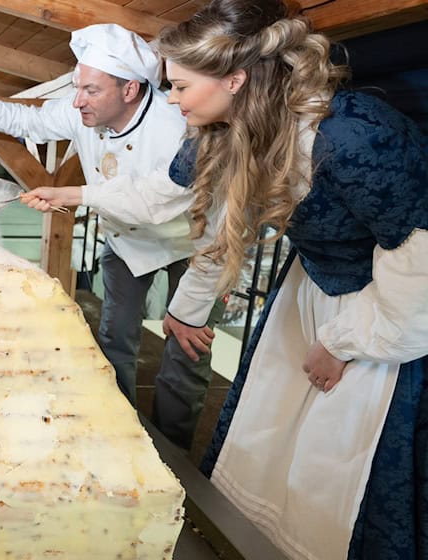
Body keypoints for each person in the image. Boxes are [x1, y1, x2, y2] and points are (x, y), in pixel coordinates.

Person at [157, 0, 428, 557]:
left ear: (234, 79)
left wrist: (341, 342)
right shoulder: (226, 129)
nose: (173, 98)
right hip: (307, 292)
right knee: (272, 438)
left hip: (387, 313)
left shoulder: (352, 137)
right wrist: (186, 309)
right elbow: (220, 228)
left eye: (180, 86)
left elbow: (417, 260)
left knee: (337, 459)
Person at [0, 24, 225, 450]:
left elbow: (155, 200)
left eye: (90, 90)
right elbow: (29, 119)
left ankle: (172, 453)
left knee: (186, 353)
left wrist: (72, 193)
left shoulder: (178, 123)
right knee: (114, 341)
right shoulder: (82, 111)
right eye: (77, 87)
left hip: (194, 245)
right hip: (126, 243)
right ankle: (119, 436)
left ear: (129, 90)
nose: (77, 100)